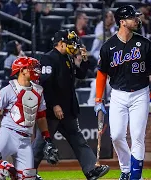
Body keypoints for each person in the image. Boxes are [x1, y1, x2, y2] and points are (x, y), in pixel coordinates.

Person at [94, 5, 151, 180]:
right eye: (133, 17)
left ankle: (135, 176)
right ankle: (125, 169)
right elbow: (101, 73)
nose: (137, 20)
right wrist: (98, 99)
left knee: (137, 136)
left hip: (140, 93)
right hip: (117, 94)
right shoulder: (108, 46)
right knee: (116, 136)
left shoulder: (145, 44)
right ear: (122, 22)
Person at [32, 29, 109, 180]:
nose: (74, 45)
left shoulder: (67, 57)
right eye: (70, 42)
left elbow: (80, 75)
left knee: (78, 140)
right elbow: (45, 84)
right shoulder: (48, 58)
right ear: (60, 43)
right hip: (52, 112)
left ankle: (91, 169)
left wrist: (84, 61)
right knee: (41, 144)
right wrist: (54, 105)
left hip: (68, 109)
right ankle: (26, 172)